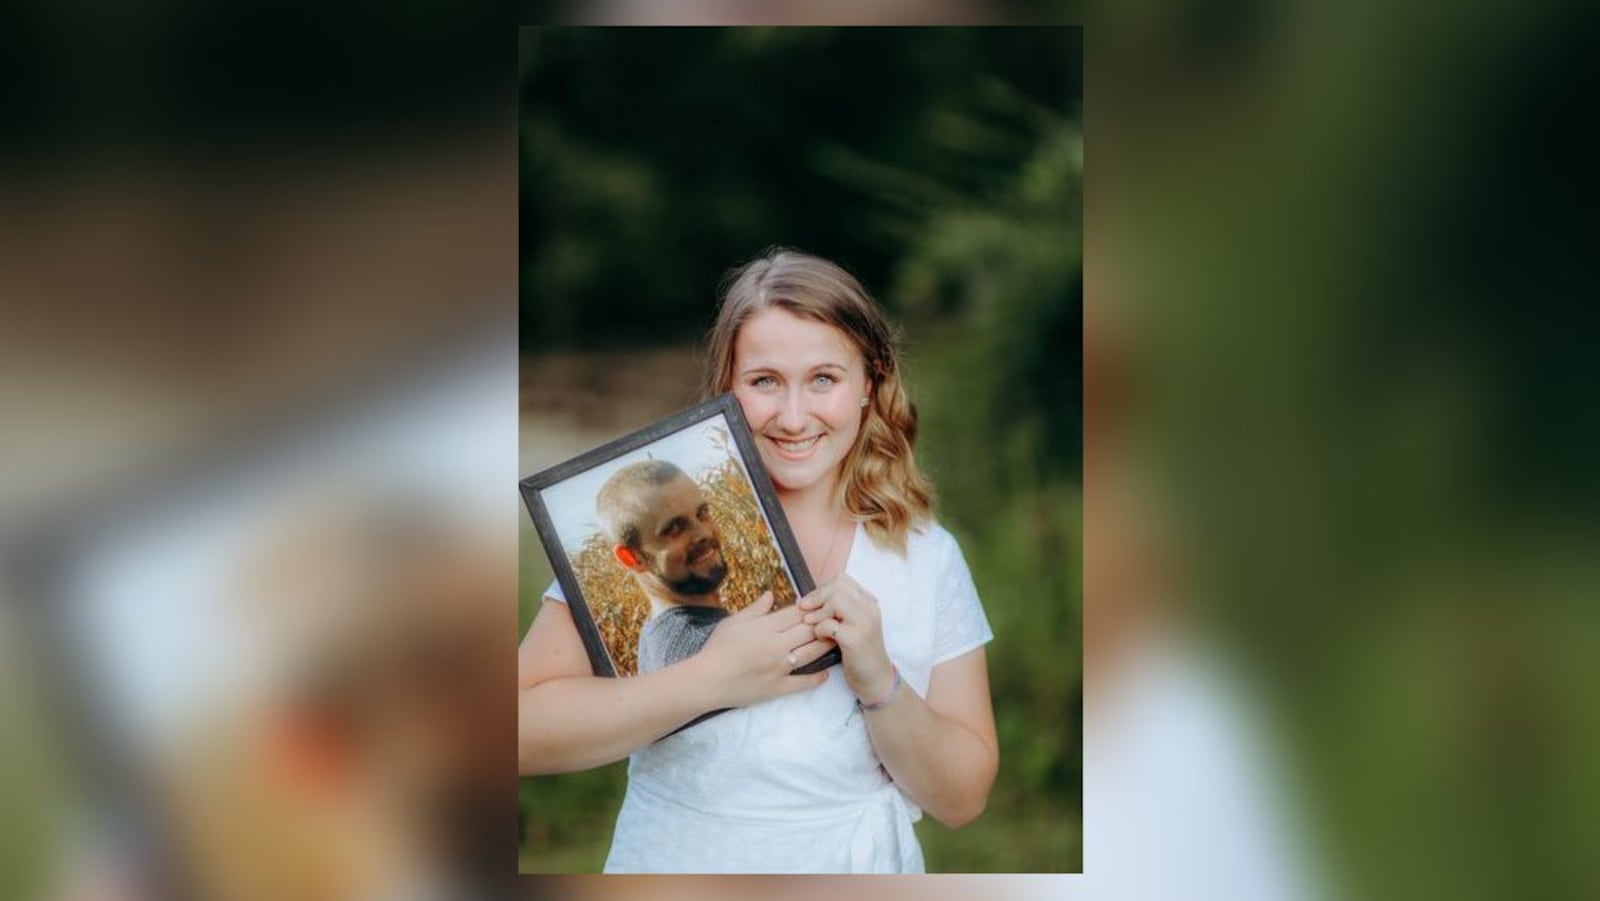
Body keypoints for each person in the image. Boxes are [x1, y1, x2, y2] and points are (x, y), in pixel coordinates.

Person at [518, 248, 997, 873]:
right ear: (727, 389)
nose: (793, 417)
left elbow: (962, 800)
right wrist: (710, 679)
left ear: (870, 383)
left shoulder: (921, 554)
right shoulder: (658, 530)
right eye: (764, 381)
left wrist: (880, 680)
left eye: (824, 378)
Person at [595, 460, 731, 672]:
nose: (703, 533)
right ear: (631, 557)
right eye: (675, 528)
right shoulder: (702, 650)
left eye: (702, 513)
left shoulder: (659, 634)